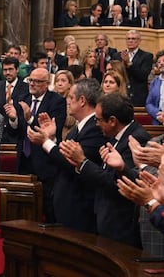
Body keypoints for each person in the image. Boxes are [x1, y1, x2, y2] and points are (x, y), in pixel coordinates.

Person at [58, 93, 150, 247]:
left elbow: (117, 184)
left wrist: (83, 161)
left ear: (113, 121)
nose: (96, 124)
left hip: (121, 226)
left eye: (98, 120)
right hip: (107, 221)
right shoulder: (115, 137)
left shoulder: (136, 140)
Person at [28, 78, 105, 232]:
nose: (67, 101)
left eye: (70, 97)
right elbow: (63, 154)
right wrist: (51, 138)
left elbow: (71, 162)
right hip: (67, 202)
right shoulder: (78, 128)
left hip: (80, 206)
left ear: (82, 100)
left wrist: (45, 142)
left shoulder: (94, 128)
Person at [13, 68, 67, 222]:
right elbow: (14, 131)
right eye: (31, 80)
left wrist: (30, 119)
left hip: (45, 162)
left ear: (47, 83)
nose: (33, 84)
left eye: (37, 81)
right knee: (24, 207)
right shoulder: (22, 98)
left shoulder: (57, 101)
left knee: (47, 207)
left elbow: (53, 130)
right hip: (23, 158)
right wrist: (13, 120)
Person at [112, 29, 153, 106]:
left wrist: (129, 63)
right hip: (120, 95)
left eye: (133, 39)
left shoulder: (146, 56)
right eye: (128, 39)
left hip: (137, 96)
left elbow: (143, 76)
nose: (130, 41)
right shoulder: (117, 55)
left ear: (139, 41)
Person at [0, 57, 29, 143]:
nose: (8, 73)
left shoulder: (26, 88)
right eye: (5, 70)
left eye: (10, 69)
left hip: (19, 135)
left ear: (17, 69)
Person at [54, 70, 76, 140]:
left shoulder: (73, 99)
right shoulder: (51, 98)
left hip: (66, 138)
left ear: (70, 84)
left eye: (63, 81)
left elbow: (70, 121)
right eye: (57, 81)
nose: (59, 83)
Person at [146, 50, 164, 125]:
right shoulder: (154, 82)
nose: (161, 64)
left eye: (163, 61)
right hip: (157, 121)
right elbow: (148, 103)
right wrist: (158, 114)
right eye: (159, 62)